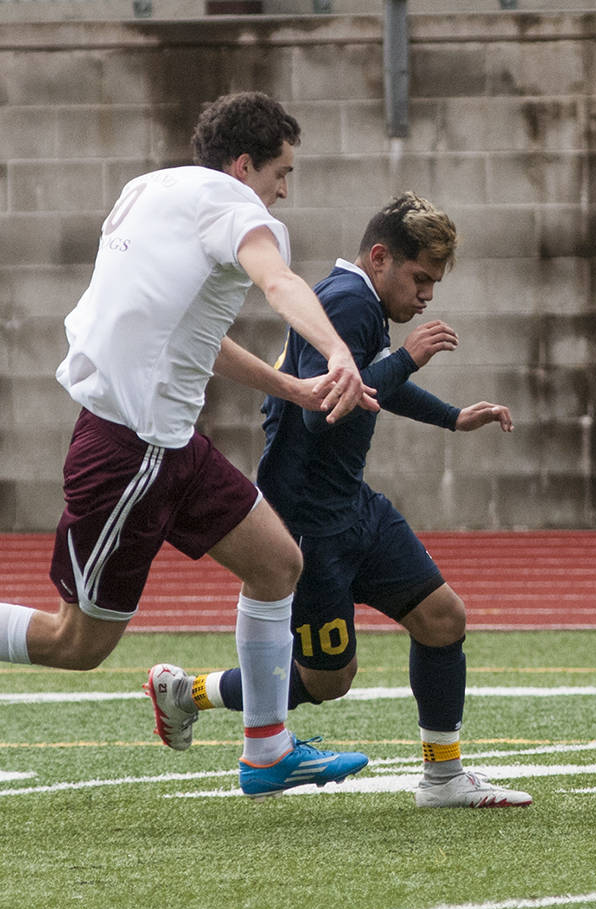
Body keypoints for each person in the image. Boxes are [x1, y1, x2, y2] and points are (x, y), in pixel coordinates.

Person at [0, 91, 376, 799]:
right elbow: (279, 280)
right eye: (280, 172)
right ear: (242, 165)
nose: (283, 191)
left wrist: (290, 388)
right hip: (130, 454)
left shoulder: (152, 190)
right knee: (76, 643)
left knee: (277, 565)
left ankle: (267, 751)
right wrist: (334, 350)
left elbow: (196, 334)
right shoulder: (240, 210)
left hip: (168, 444)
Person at [147, 193, 532, 808]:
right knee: (327, 681)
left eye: (435, 282)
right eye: (420, 277)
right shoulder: (349, 303)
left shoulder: (359, 303)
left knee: (442, 619)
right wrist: (408, 358)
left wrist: (452, 417)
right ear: (380, 257)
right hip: (307, 524)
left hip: (351, 505)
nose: (428, 294)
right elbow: (329, 410)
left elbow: (372, 381)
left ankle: (443, 778)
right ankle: (188, 691)